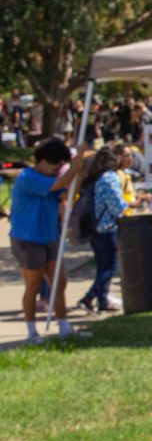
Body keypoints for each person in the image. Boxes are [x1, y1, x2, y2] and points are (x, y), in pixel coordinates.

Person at [9, 138, 87, 341]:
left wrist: (79, 170)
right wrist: (75, 166)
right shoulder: (27, 178)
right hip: (29, 238)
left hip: (50, 236)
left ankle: (64, 327)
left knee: (59, 284)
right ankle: (32, 331)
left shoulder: (51, 180)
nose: (57, 170)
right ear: (42, 161)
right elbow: (60, 183)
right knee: (33, 287)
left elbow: (69, 192)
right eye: (55, 165)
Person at [78, 146, 128, 314]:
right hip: (107, 227)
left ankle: (102, 300)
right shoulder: (110, 177)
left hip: (94, 226)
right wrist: (128, 205)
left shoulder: (94, 177)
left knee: (102, 266)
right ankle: (89, 297)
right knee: (110, 267)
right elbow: (117, 205)